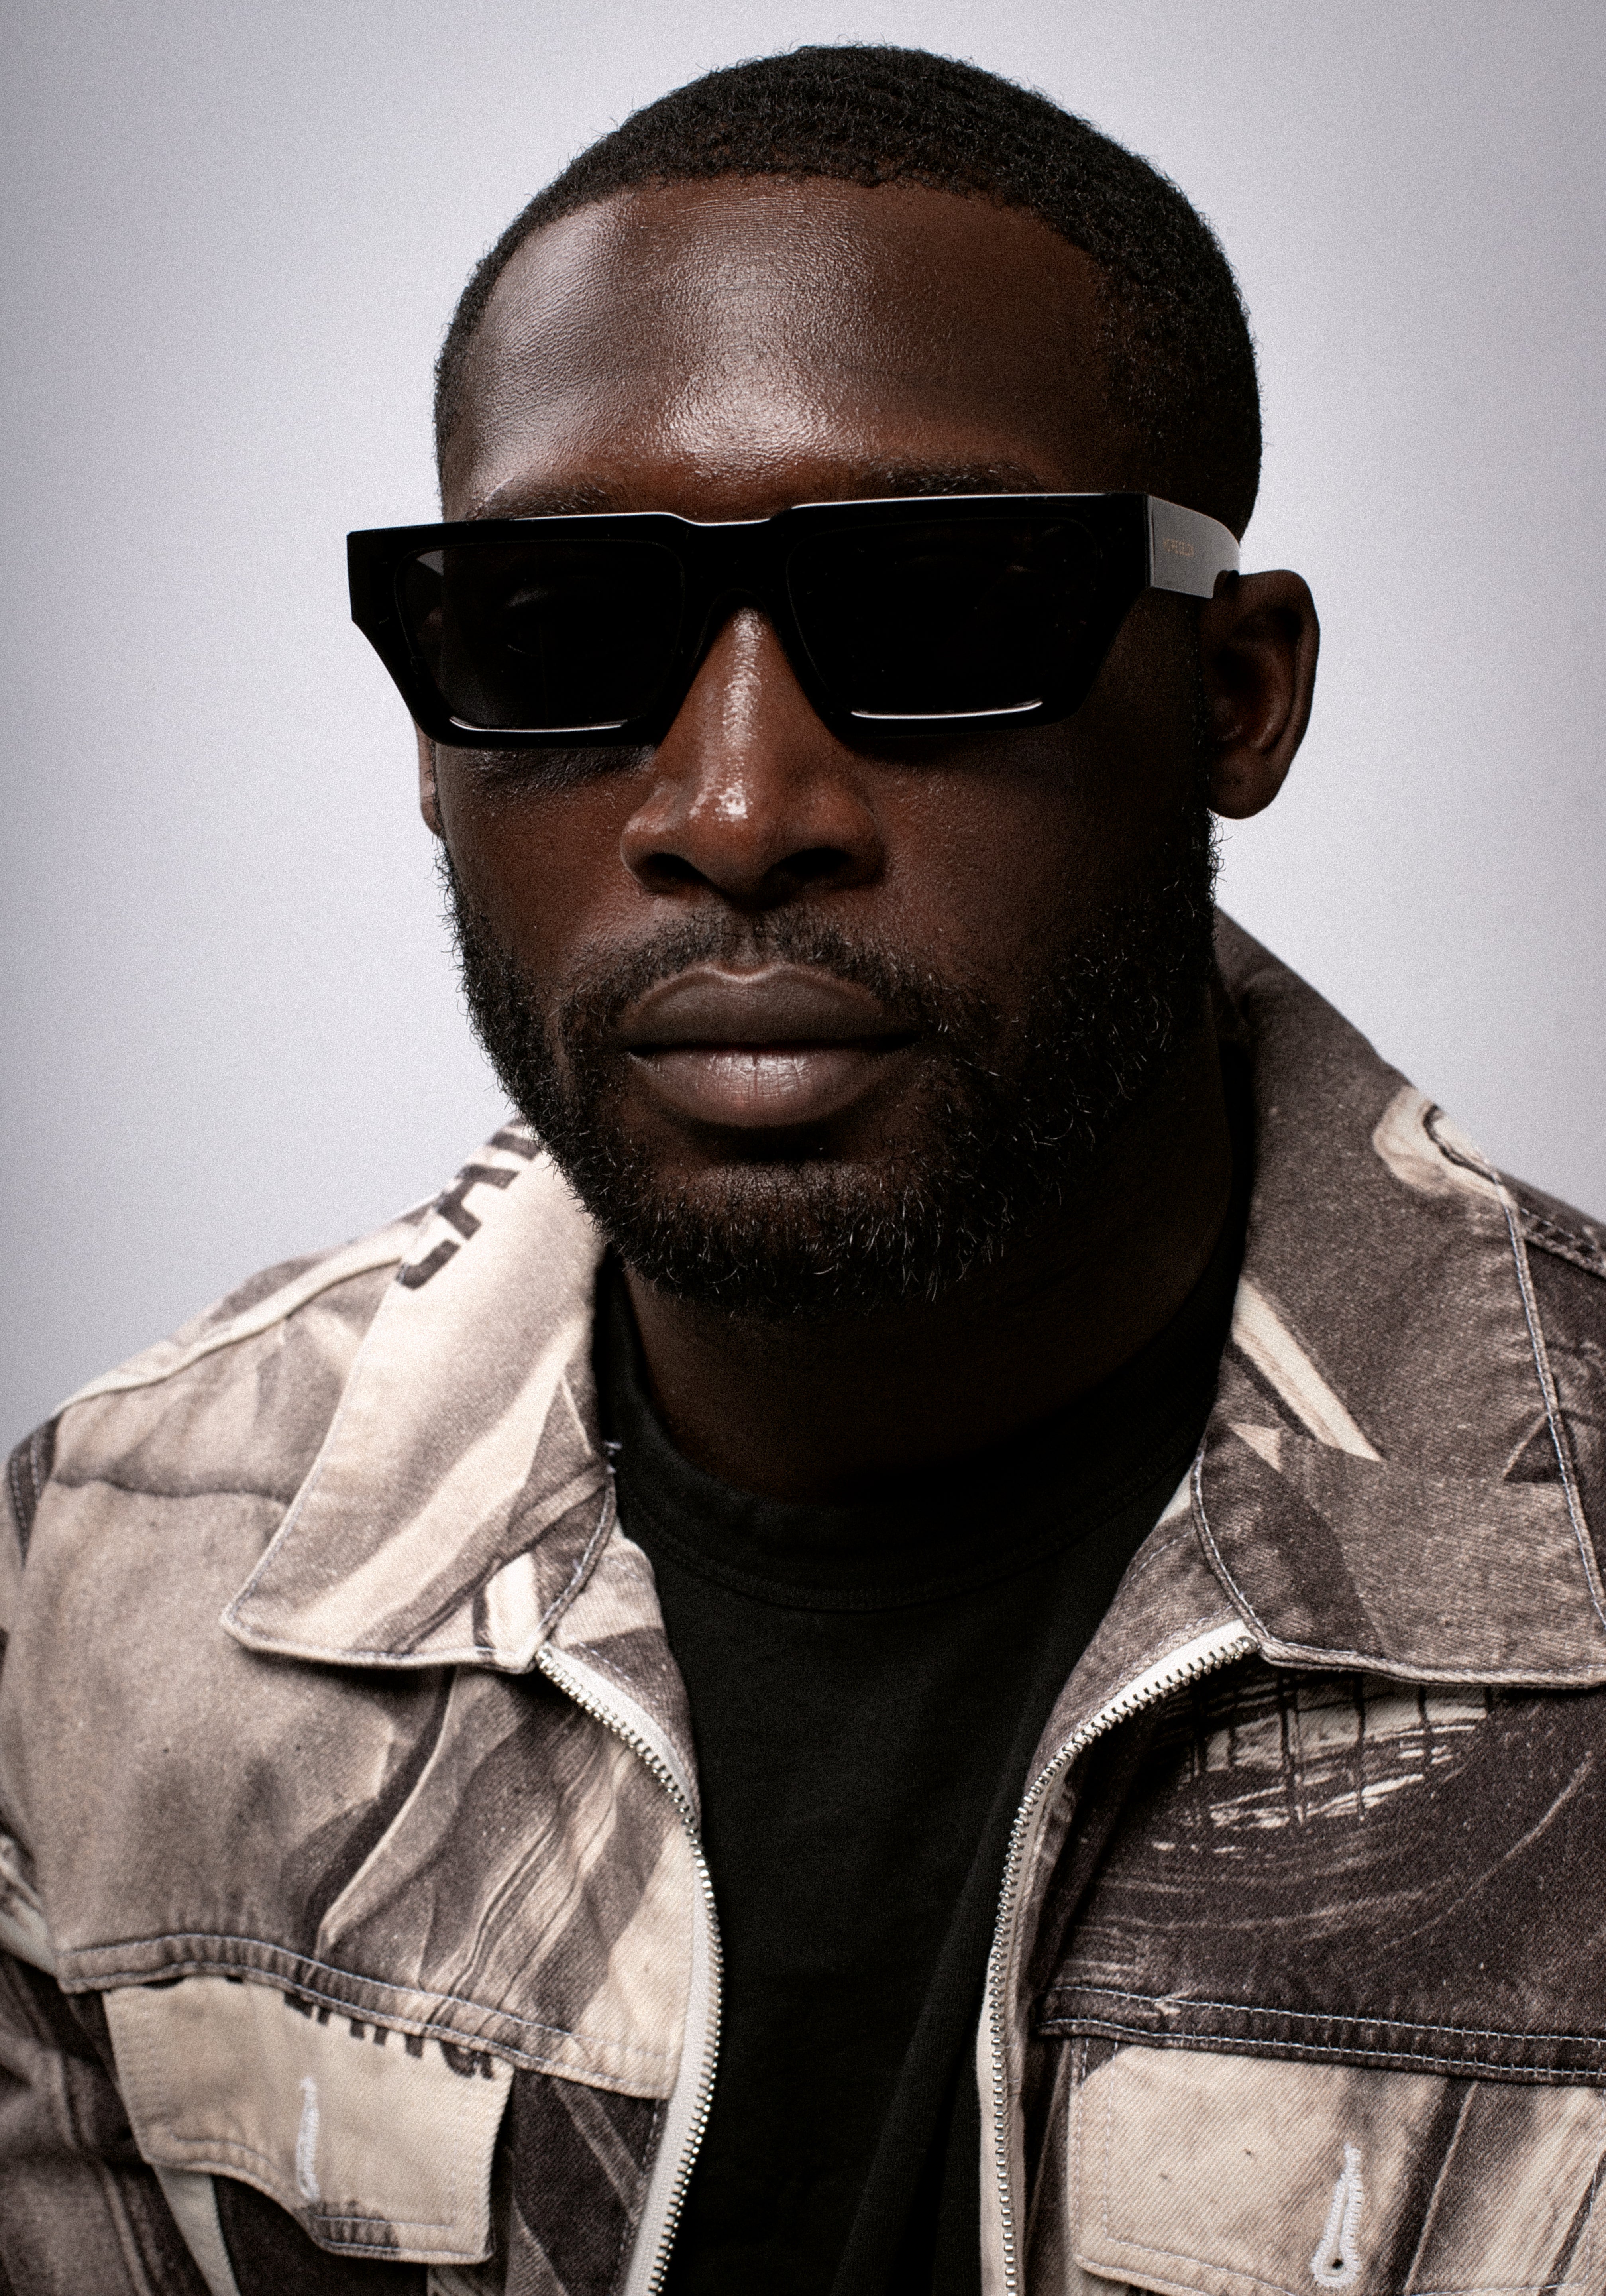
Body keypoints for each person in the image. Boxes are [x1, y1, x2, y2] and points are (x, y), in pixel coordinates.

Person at [4, 40, 1604, 2296]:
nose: (739, 811)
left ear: (1236, 696)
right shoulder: (105, 1586)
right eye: (559, 636)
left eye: (938, 611)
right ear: (433, 736)